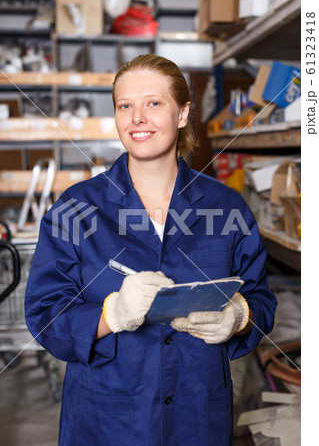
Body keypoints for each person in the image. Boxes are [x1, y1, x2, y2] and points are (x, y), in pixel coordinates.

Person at [25, 54, 277, 446]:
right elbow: (44, 314)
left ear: (182, 114)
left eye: (153, 103)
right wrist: (112, 314)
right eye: (125, 106)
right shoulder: (75, 209)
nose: (137, 118)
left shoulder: (227, 208)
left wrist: (239, 316)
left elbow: (261, 300)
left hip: (198, 417)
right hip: (106, 420)